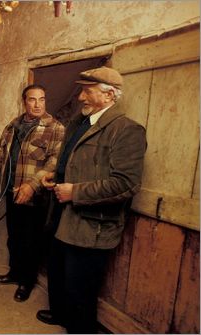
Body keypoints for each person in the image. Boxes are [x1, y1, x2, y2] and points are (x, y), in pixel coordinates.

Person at [35, 67, 147, 333]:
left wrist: (75, 192)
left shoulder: (127, 130)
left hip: (91, 225)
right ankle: (61, 314)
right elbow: (73, 162)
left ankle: (80, 328)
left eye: (88, 90)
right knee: (59, 273)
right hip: (62, 215)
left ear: (108, 94)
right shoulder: (79, 122)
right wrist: (54, 174)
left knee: (80, 288)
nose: (81, 97)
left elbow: (126, 184)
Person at [0, 85, 65, 302]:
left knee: (32, 241)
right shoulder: (14, 125)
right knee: (14, 237)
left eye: (42, 99)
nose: (37, 104)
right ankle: (14, 273)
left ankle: (27, 281)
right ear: (24, 101)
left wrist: (31, 185)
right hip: (11, 190)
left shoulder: (56, 128)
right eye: (32, 99)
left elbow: (54, 162)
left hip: (35, 197)